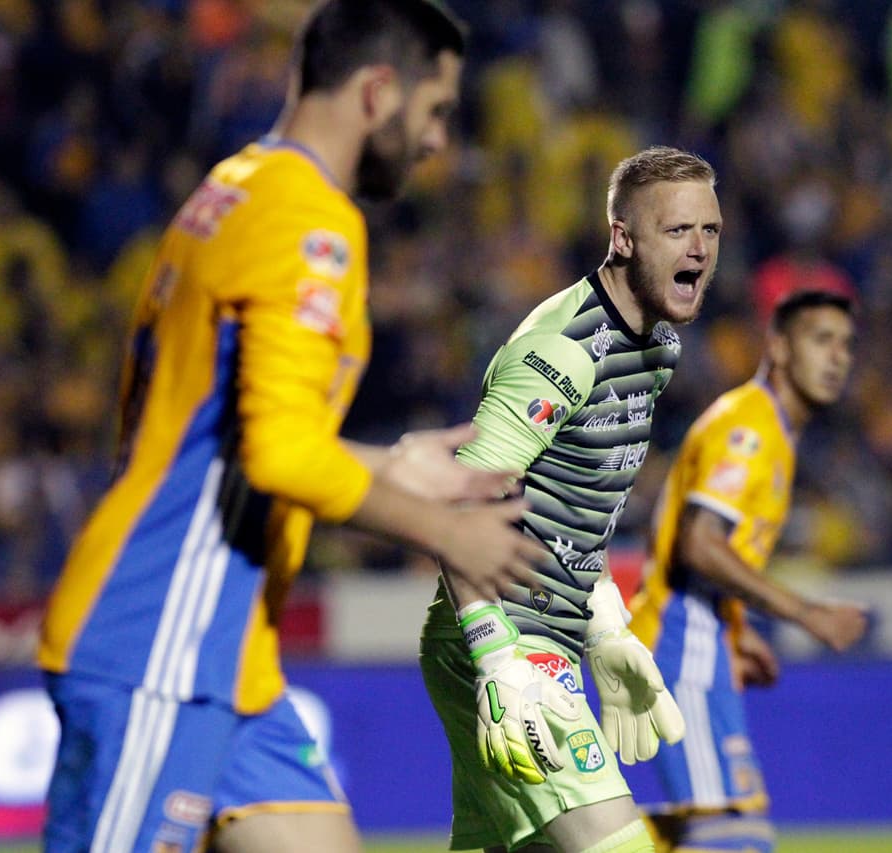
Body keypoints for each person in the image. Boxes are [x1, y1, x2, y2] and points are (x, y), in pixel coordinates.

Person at [36, 3, 548, 851]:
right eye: (436, 113)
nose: (437, 144)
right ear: (378, 91)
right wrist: (446, 534)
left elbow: (224, 432)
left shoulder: (237, 186)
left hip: (231, 653)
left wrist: (391, 464)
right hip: (162, 639)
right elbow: (276, 454)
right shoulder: (309, 221)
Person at [419, 145, 723, 853]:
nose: (701, 249)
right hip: (502, 636)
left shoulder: (657, 349)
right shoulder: (563, 350)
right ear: (623, 237)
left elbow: (578, 505)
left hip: (546, 633)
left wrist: (605, 625)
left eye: (710, 230)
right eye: (678, 230)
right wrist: (497, 658)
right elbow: (460, 504)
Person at [626, 282, 869, 853]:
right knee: (734, 834)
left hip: (704, 645)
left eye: (846, 344)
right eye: (821, 340)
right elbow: (701, 545)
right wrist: (806, 613)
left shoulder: (774, 432)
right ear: (779, 348)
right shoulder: (750, 428)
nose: (838, 357)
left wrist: (734, 632)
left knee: (716, 829)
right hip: (680, 643)